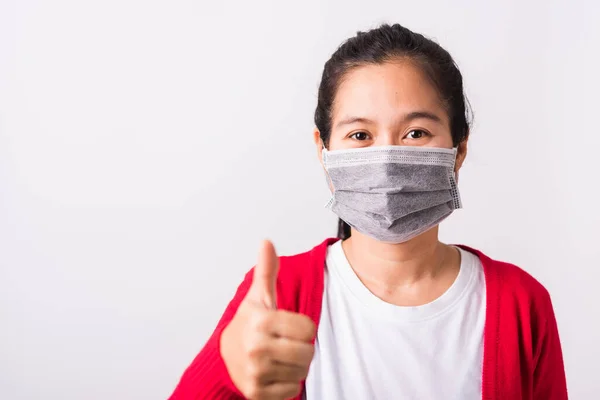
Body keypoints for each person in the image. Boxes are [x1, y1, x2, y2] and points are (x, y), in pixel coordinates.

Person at [169, 23, 567, 400]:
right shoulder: (279, 294)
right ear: (324, 153)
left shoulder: (521, 303)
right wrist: (227, 370)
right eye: (360, 135)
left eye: (416, 133)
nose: (388, 160)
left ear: (458, 150)